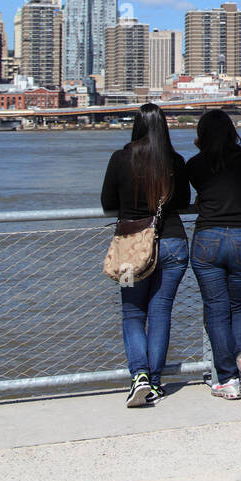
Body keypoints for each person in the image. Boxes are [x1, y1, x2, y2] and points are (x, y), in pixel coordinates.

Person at [101, 103, 190, 407]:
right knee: (161, 311)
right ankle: (154, 380)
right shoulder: (175, 161)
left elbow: (106, 203)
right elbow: (185, 200)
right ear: (163, 126)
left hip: (129, 250)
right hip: (173, 244)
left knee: (132, 312)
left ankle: (139, 375)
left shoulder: (120, 159)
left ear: (137, 125)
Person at [186, 110, 241, 401]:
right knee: (238, 307)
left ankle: (226, 378)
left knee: (217, 310)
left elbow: (197, 194)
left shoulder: (194, 165)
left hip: (207, 239)